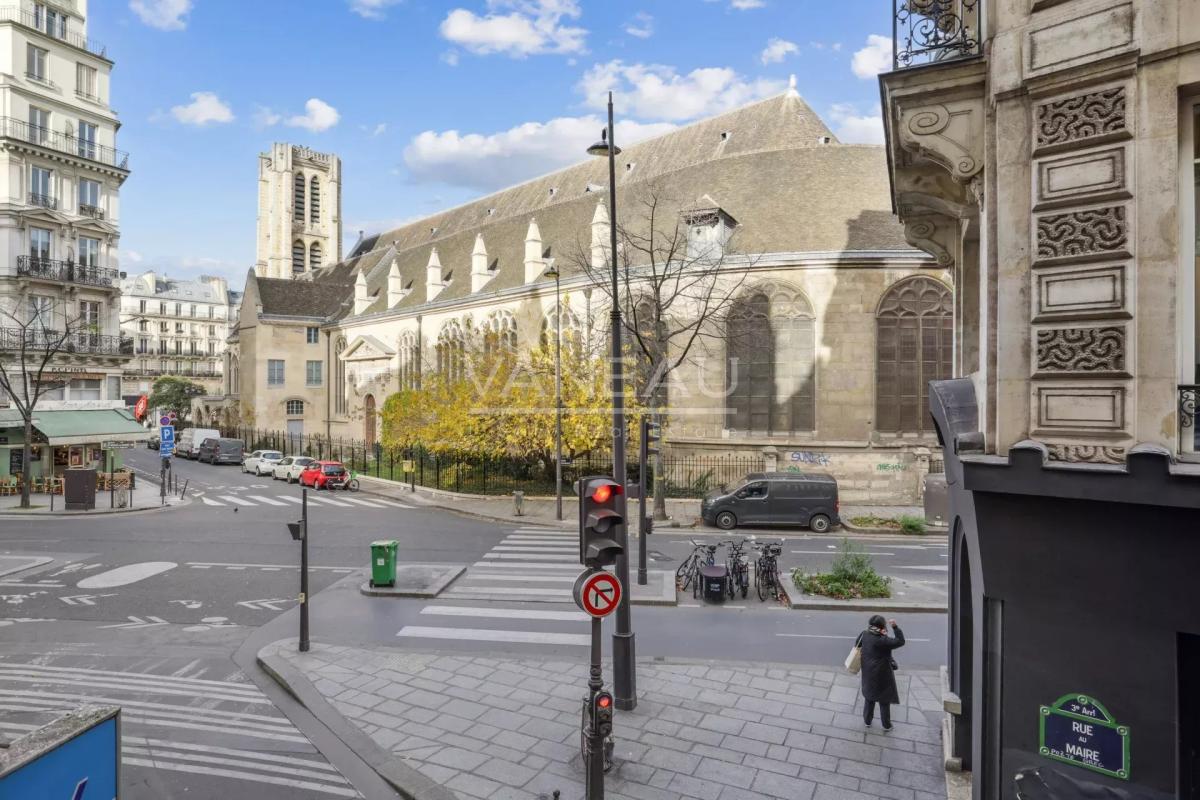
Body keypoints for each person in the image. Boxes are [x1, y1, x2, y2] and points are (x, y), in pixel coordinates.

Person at [857, 614, 905, 730]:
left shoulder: (865, 634)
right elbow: (900, 641)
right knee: (884, 699)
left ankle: (867, 721)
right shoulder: (882, 640)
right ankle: (886, 725)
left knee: (869, 696)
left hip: (868, 670)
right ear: (882, 626)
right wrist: (895, 627)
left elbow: (858, 645)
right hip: (882, 673)